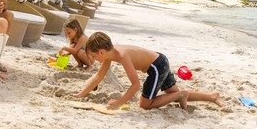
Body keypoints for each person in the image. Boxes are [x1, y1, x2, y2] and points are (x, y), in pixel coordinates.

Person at [74, 32, 223, 111]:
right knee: (171, 95)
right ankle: (211, 96)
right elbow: (99, 77)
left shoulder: (122, 55)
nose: (94, 59)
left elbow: (135, 85)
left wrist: (118, 102)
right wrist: (81, 94)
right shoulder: (109, 55)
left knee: (145, 104)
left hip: (156, 67)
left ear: (101, 52)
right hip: (160, 60)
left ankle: (181, 94)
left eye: (93, 56)